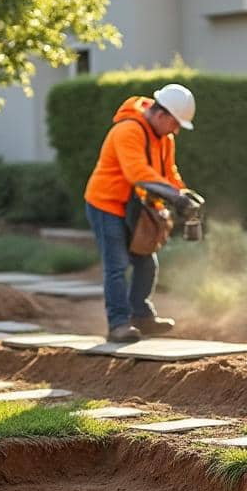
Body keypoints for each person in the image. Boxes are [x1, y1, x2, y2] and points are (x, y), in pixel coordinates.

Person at [83, 83, 196, 343]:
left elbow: (169, 174)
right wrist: (174, 197)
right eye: (175, 123)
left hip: (136, 207)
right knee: (117, 265)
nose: (177, 130)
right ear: (160, 115)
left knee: (146, 263)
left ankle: (141, 316)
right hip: (106, 204)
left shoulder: (165, 139)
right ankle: (119, 324)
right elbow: (137, 174)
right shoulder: (127, 131)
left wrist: (183, 193)